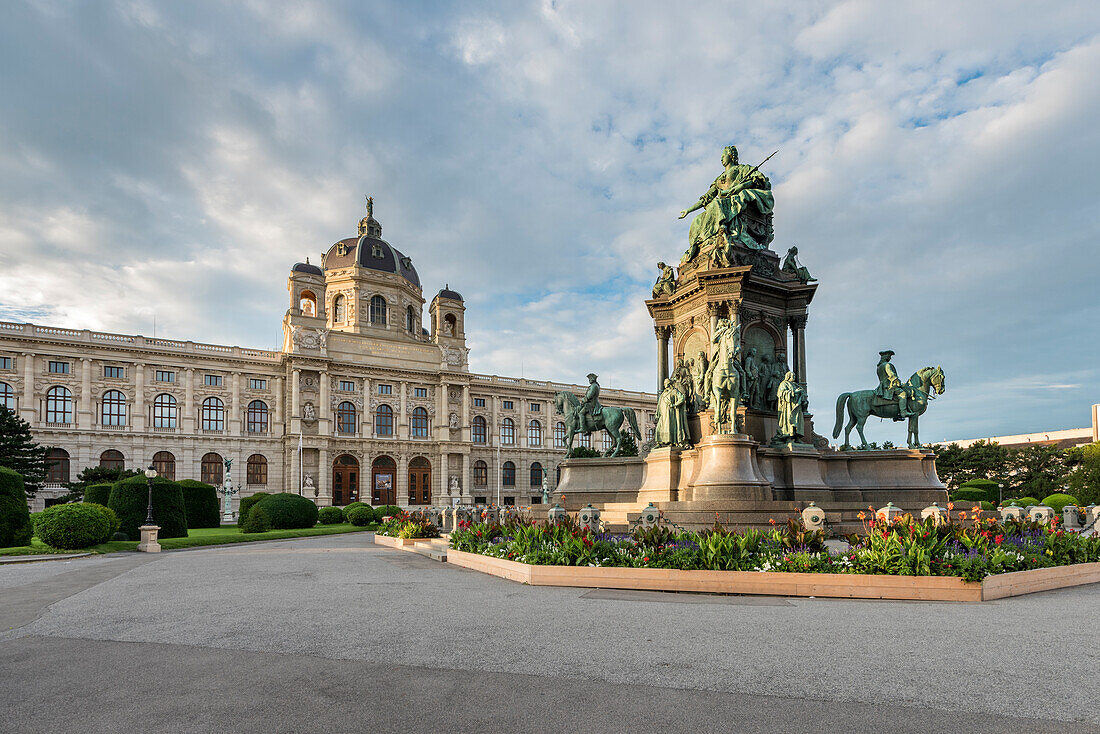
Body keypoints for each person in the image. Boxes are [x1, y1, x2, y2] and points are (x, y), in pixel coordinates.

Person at [874, 350, 911, 420]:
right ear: (886, 357)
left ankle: (895, 415)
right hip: (889, 386)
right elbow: (891, 375)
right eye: (889, 357)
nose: (890, 358)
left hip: (882, 387)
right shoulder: (887, 365)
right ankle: (903, 412)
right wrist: (898, 382)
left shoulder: (879, 367)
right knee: (903, 394)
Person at [655, 379, 689, 447]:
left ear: (669, 384)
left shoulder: (674, 391)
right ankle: (660, 442)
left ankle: (671, 441)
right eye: (664, 383)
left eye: (666, 383)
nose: (665, 385)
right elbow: (659, 404)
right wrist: (657, 413)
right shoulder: (663, 394)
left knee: (669, 426)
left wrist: (675, 405)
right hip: (663, 414)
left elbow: (682, 398)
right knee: (659, 427)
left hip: (670, 413)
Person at [776, 371, 806, 442]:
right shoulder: (783, 384)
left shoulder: (796, 385)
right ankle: (789, 437)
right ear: (788, 376)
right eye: (793, 376)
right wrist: (794, 392)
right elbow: (780, 394)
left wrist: (803, 395)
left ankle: (797, 437)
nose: (794, 377)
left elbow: (802, 392)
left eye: (795, 376)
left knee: (798, 422)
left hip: (797, 406)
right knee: (789, 421)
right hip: (788, 407)